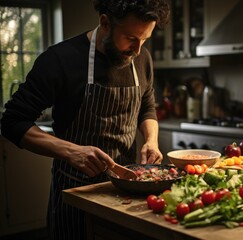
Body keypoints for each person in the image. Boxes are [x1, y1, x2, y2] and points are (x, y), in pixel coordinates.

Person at [0, 0, 170, 239]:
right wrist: (72, 152)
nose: (138, 49)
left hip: (127, 190)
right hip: (76, 192)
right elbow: (12, 122)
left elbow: (147, 107)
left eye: (145, 40)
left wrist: (151, 140)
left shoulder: (142, 59)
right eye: (131, 38)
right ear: (105, 23)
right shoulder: (60, 59)